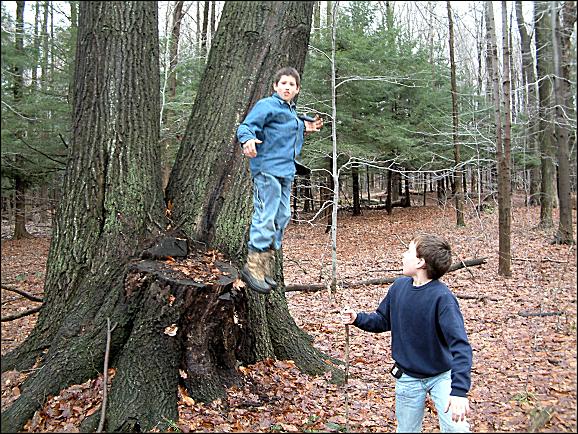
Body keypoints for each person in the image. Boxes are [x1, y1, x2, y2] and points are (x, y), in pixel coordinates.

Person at [341, 234, 473, 432]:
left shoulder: (443, 298)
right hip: (408, 378)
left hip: (442, 377)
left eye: (409, 251)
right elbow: (383, 320)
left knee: (457, 429)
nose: (403, 255)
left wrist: (459, 392)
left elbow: (461, 347)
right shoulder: (399, 287)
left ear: (421, 262)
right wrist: (357, 318)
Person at [237, 66, 323, 294]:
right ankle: (253, 267)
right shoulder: (266, 105)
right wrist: (247, 140)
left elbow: (286, 130)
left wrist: (304, 127)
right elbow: (246, 126)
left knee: (282, 216)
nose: (287, 87)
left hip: (286, 172)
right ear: (275, 86)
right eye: (283, 83)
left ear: (297, 90)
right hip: (267, 170)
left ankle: (265, 265)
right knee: (266, 215)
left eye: (292, 84)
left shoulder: (292, 113)